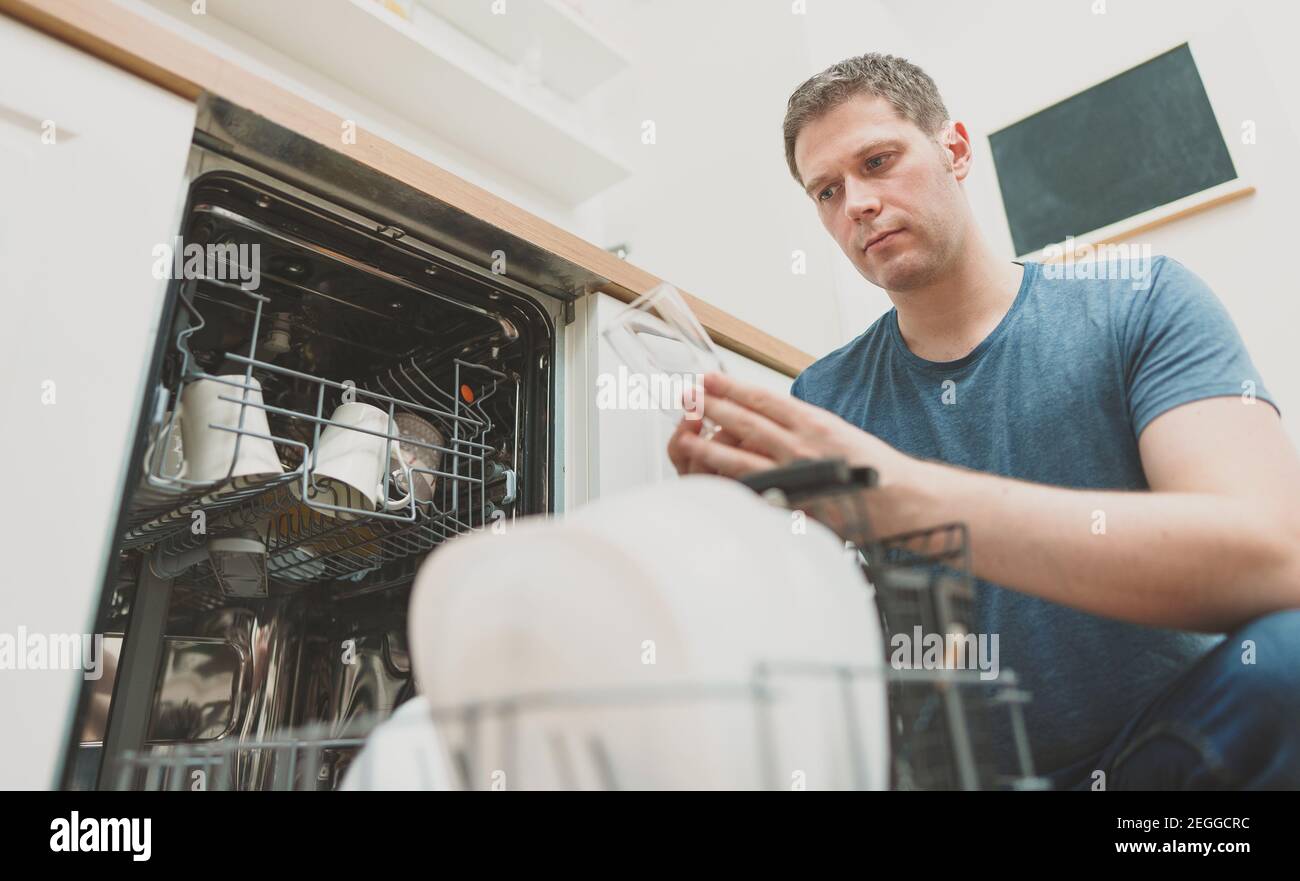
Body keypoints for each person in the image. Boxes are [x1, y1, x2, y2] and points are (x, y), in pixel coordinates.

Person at [666, 53, 1300, 790]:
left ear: (955, 149)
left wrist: (898, 497)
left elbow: (1275, 556)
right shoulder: (824, 394)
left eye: (878, 161)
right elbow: (806, 636)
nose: (857, 205)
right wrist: (735, 527)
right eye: (828, 191)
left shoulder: (1140, 302)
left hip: (1166, 765)